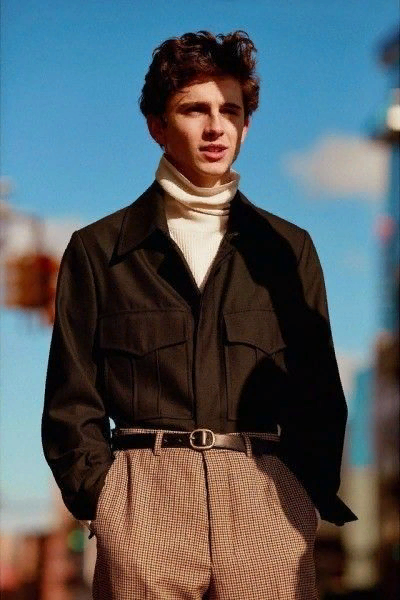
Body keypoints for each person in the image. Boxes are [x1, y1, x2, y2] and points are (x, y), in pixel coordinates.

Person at [42, 30, 357, 600]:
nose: (216, 127)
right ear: (157, 125)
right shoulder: (97, 250)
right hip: (143, 499)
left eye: (229, 111)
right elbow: (72, 397)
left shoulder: (288, 250)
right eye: (195, 109)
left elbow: (319, 391)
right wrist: (101, 500)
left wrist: (301, 494)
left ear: (246, 125)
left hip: (266, 500)